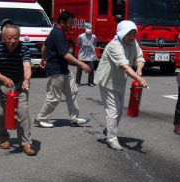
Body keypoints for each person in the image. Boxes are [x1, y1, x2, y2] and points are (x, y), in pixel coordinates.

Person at [95, 20, 148, 150]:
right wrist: (138, 79)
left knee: (118, 111)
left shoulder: (133, 43)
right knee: (113, 111)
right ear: (122, 32)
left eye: (134, 34)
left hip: (120, 81)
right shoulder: (114, 45)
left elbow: (140, 58)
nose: (131, 37)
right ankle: (111, 139)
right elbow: (124, 66)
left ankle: (109, 129)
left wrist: (139, 69)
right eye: (129, 34)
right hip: (107, 81)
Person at [34, 11, 91, 128]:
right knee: (54, 97)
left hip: (63, 69)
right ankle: (40, 119)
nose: (72, 25)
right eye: (70, 23)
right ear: (62, 22)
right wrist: (82, 65)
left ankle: (74, 118)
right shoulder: (58, 33)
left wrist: (44, 58)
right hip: (56, 70)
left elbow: (45, 46)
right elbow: (65, 54)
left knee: (73, 91)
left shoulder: (55, 32)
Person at [0, 24, 36, 156]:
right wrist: (3, 78)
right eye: (9, 38)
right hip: (0, 84)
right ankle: (4, 139)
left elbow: (27, 66)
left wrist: (27, 79)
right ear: (3, 38)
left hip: (19, 84)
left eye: (16, 37)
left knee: (23, 113)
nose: (13, 41)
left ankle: (25, 143)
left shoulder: (24, 49)